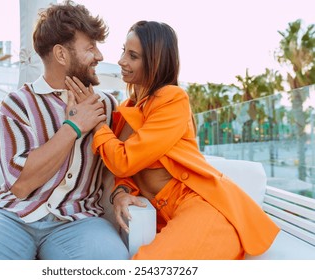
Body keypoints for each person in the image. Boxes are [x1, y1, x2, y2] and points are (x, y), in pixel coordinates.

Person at [67, 20, 280, 260]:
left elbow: (123, 161)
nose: (121, 61)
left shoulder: (172, 99)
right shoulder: (127, 108)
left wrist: (97, 124)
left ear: (154, 63)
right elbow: (124, 171)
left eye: (133, 55)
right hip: (167, 215)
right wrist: (121, 192)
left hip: (205, 208)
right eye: (123, 51)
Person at [0, 0, 128, 260]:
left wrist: (119, 194)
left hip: (80, 222)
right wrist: (74, 127)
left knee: (112, 266)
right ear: (61, 54)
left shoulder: (106, 105)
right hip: (10, 216)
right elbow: (20, 186)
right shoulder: (17, 104)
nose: (100, 56)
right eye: (91, 47)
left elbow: (114, 166)